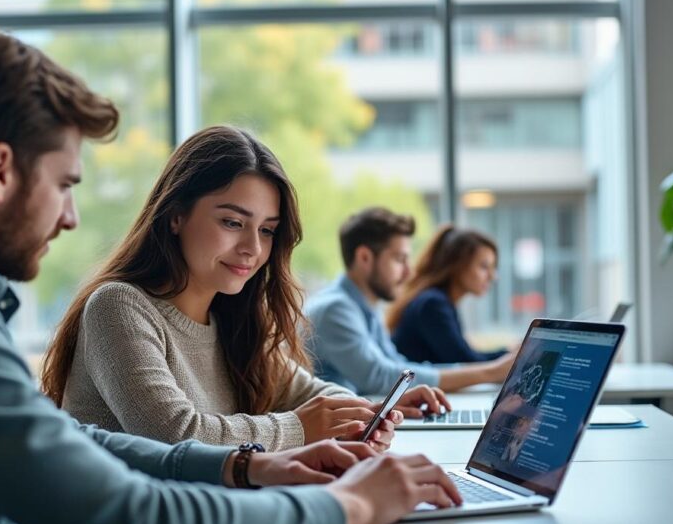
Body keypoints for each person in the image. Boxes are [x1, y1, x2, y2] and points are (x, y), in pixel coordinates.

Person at [0, 28, 461, 524]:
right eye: (66, 183)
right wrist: (349, 507)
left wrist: (245, 464)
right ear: (2, 169)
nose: (70, 217)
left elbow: (70, 438)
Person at [42, 125, 449, 452]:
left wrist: (367, 412)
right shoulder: (118, 306)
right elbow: (176, 436)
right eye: (232, 223)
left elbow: (305, 392)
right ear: (175, 216)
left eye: (268, 230)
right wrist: (301, 427)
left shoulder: (232, 316)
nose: (253, 249)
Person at [304, 208, 514, 399]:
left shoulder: (364, 307)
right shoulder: (336, 309)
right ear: (365, 257)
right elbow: (379, 377)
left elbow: (399, 367)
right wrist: (491, 372)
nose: (409, 272)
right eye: (399, 259)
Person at [386, 224, 511, 364]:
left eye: (493, 268)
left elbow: (466, 354)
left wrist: (509, 352)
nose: (493, 276)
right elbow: (465, 361)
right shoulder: (433, 304)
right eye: (484, 266)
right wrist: (512, 355)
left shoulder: (439, 301)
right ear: (458, 265)